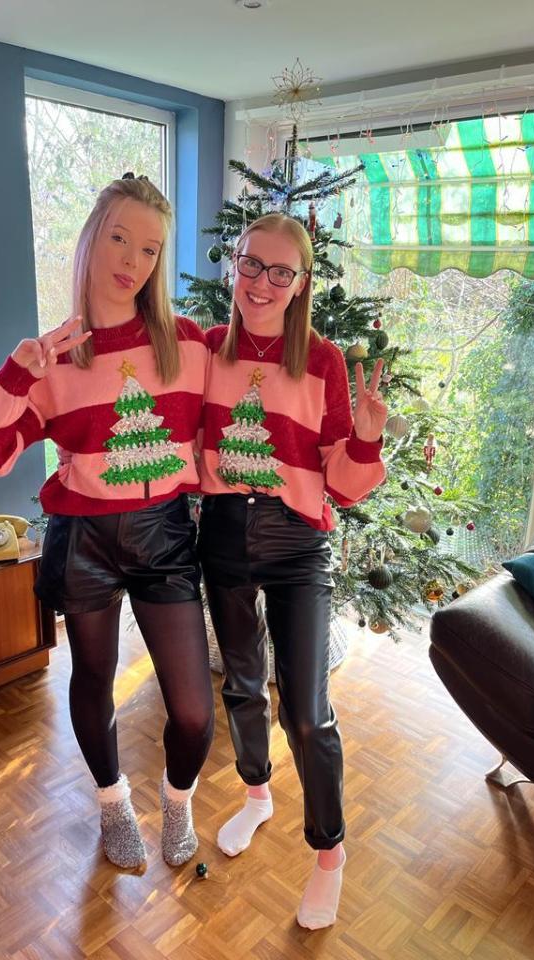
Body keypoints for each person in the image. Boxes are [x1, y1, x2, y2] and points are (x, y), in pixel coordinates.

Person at [0, 175, 214, 872]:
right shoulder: (57, 356)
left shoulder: (188, 346)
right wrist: (16, 375)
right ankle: (112, 804)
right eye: (119, 237)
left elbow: (258, 391)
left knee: (193, 713)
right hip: (85, 542)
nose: (132, 260)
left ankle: (177, 798)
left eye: (151, 249)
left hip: (164, 536)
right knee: (92, 682)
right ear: (92, 239)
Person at [198, 213, 387, 928]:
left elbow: (340, 480)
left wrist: (365, 438)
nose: (263, 283)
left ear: (302, 282)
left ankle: (330, 849)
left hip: (297, 538)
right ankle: (255, 794)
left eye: (282, 272)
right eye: (252, 265)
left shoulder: (325, 361)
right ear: (234, 266)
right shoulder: (208, 350)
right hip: (221, 533)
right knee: (242, 684)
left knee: (306, 713)